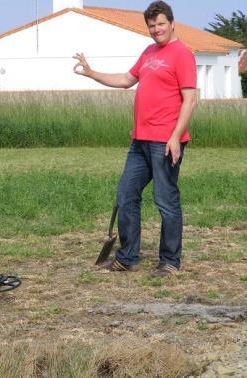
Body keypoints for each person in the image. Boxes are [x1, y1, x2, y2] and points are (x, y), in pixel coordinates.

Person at [73, 1, 197, 277]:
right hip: (140, 140)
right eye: (151, 25)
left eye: (160, 24)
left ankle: (169, 262)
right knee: (126, 195)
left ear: (172, 23)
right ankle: (127, 258)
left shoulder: (182, 54)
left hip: (165, 141)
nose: (156, 29)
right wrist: (91, 72)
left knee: (166, 200)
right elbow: (127, 80)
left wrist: (176, 137)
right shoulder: (149, 52)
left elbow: (190, 100)